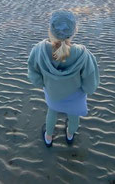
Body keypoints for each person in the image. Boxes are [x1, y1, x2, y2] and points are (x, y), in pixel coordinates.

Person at [27, 10, 99, 147]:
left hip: (53, 94)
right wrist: (83, 90)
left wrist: (43, 83)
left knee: (52, 112)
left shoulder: (38, 49)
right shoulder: (84, 55)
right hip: (75, 97)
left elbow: (33, 73)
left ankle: (48, 137)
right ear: (75, 30)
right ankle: (70, 135)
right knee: (73, 116)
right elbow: (90, 86)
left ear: (50, 30)